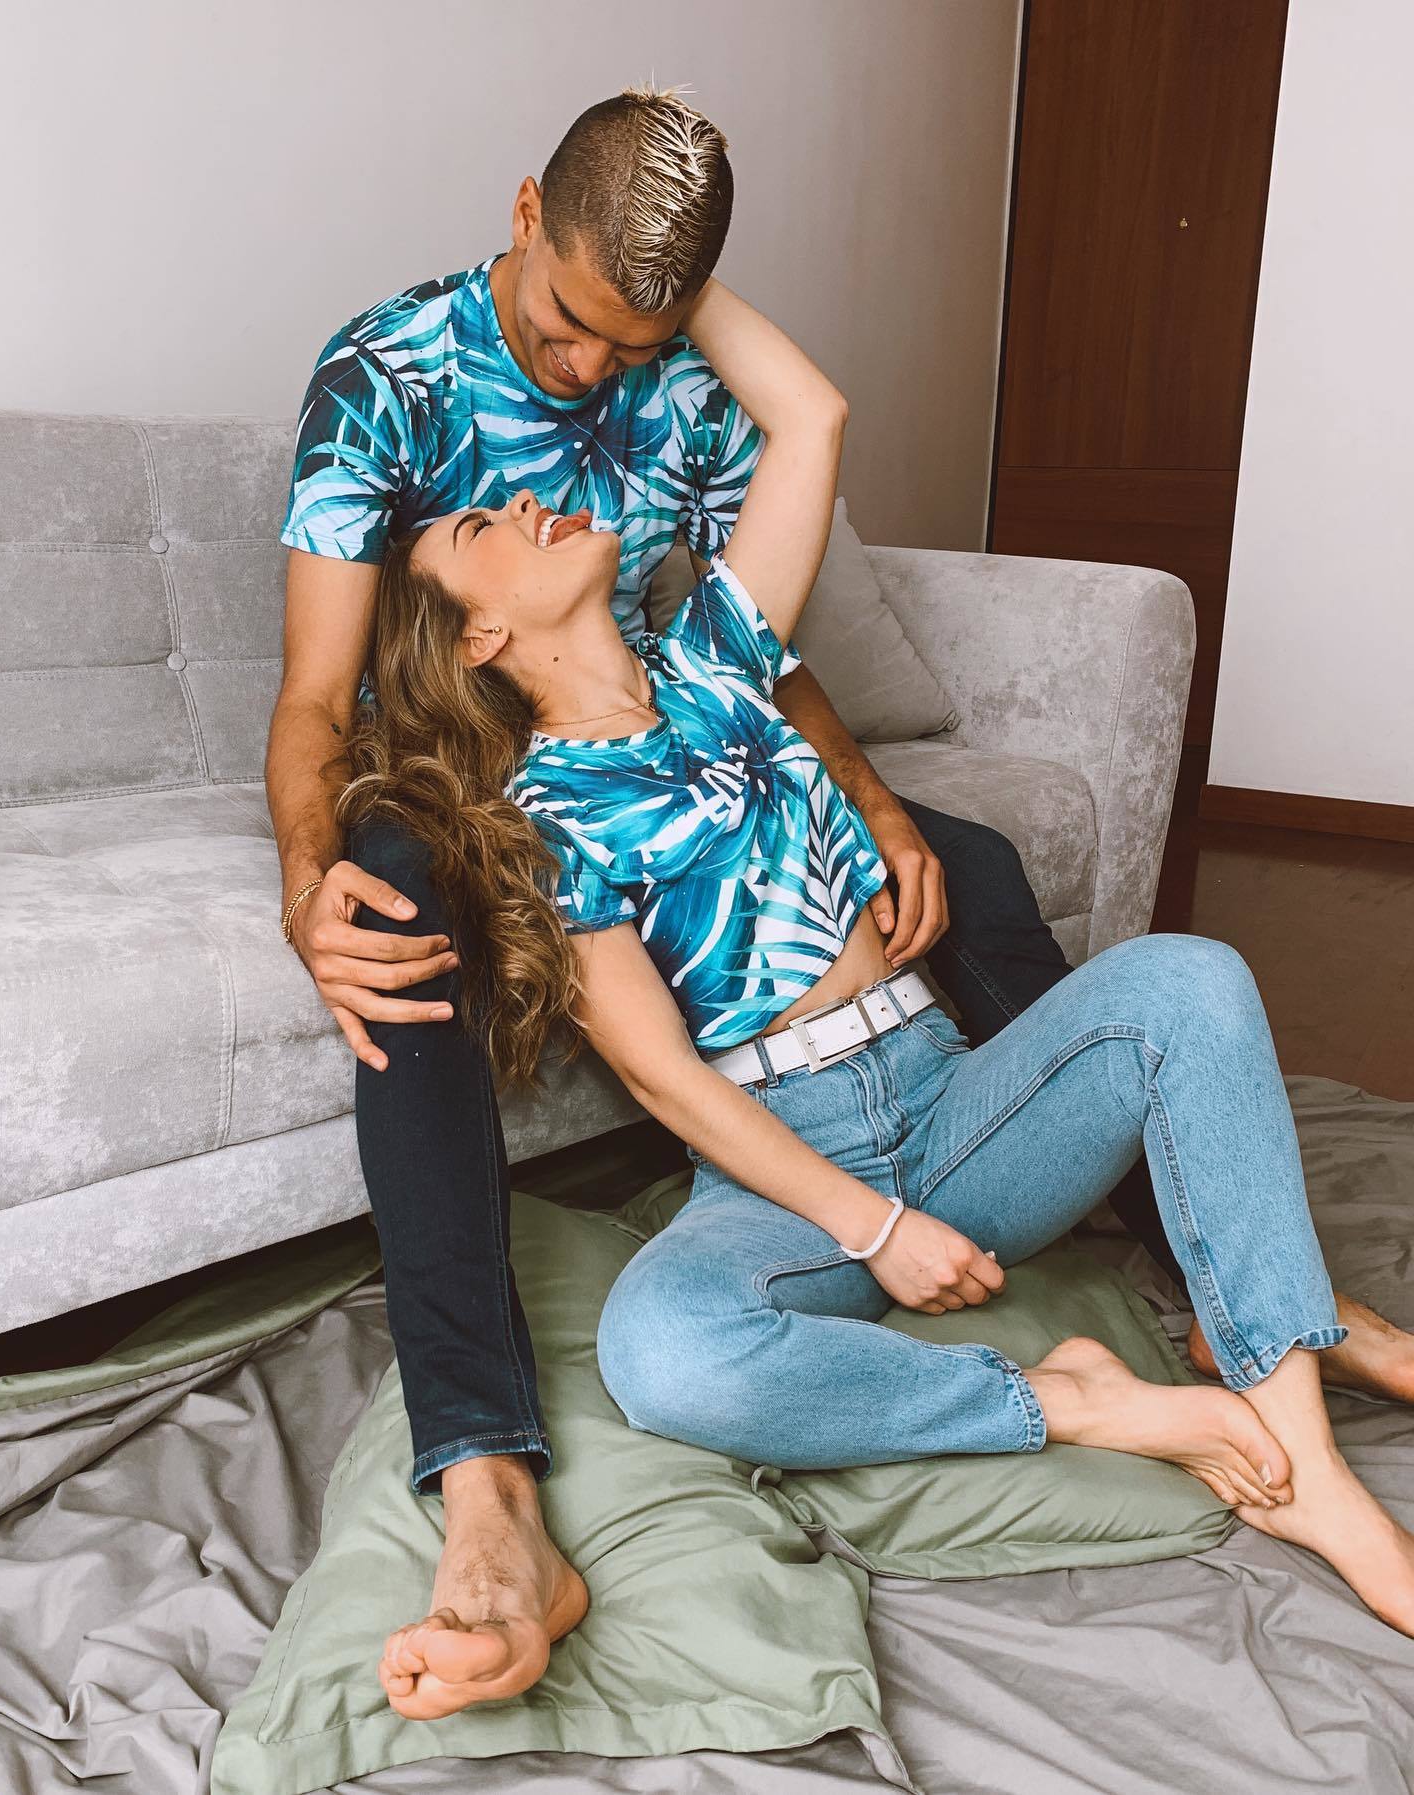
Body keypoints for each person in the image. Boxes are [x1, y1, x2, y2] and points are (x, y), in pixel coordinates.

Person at [338, 266, 1414, 1713]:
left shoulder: (719, 659)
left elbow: (812, 416)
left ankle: (1311, 1471)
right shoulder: (540, 818)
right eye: (482, 527)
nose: (527, 503)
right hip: (786, 1166)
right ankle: (1073, 1403)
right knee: (665, 1354)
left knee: (1190, 981)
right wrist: (875, 1229)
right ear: (477, 639)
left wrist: (654, 258)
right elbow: (661, 1073)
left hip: (952, 1097)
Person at [269, 84, 1184, 1716]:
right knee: (399, 908)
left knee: (964, 856)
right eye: (568, 326)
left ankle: (1193, 1251)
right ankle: (486, 1480)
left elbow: (744, 654)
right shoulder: (383, 374)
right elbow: (316, 702)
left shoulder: (674, 385)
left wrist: (874, 803)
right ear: (524, 210)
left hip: (638, 754)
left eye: (633, 342)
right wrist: (301, 882)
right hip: (462, 767)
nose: (589, 371)